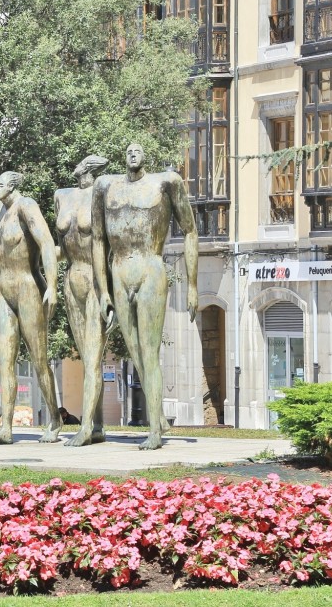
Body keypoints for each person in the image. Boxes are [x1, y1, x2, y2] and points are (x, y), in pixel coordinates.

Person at [91, 142, 199, 451]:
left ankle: (154, 430)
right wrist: (103, 291)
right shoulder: (105, 186)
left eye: (137, 150)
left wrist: (192, 284)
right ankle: (159, 417)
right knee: (135, 351)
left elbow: (190, 230)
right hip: (119, 272)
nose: (132, 152)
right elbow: (98, 240)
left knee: (148, 353)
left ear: (146, 156)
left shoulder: (165, 183)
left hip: (150, 269)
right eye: (127, 150)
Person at [0, 171, 61, 446]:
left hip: (28, 285)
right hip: (4, 288)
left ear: (13, 186)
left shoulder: (27, 205)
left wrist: (52, 284)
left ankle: (54, 418)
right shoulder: (2, 210)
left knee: (38, 359)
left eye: (1, 184)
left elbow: (47, 243)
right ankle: (6, 428)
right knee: (5, 360)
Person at [55, 154, 111, 446]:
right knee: (88, 356)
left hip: (95, 279)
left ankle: (87, 426)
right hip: (71, 278)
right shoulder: (61, 196)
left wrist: (108, 292)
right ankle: (98, 424)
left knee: (92, 356)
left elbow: (108, 245)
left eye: (84, 164)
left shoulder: (102, 195)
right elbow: (60, 250)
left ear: (90, 169)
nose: (77, 166)